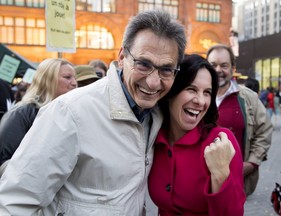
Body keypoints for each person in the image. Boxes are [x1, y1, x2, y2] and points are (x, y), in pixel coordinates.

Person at [0, 10, 186, 215]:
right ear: (122, 57)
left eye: (166, 70)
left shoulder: (158, 114)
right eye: (143, 64)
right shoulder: (69, 112)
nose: (153, 82)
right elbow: (15, 203)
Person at [148, 54, 245, 215]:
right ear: (171, 92)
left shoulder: (221, 141)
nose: (200, 101)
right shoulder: (153, 138)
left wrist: (220, 174)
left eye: (207, 92)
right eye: (191, 89)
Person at [206, 44, 273, 196]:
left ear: (233, 69)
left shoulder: (248, 98)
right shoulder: (196, 95)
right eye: (213, 65)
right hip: (199, 180)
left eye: (224, 65)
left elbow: (265, 131)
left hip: (235, 182)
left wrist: (252, 163)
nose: (218, 70)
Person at [0, 58, 77, 175]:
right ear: (47, 80)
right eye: (67, 77)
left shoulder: (73, 113)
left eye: (74, 78)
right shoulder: (21, 114)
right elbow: (4, 159)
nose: (74, 83)